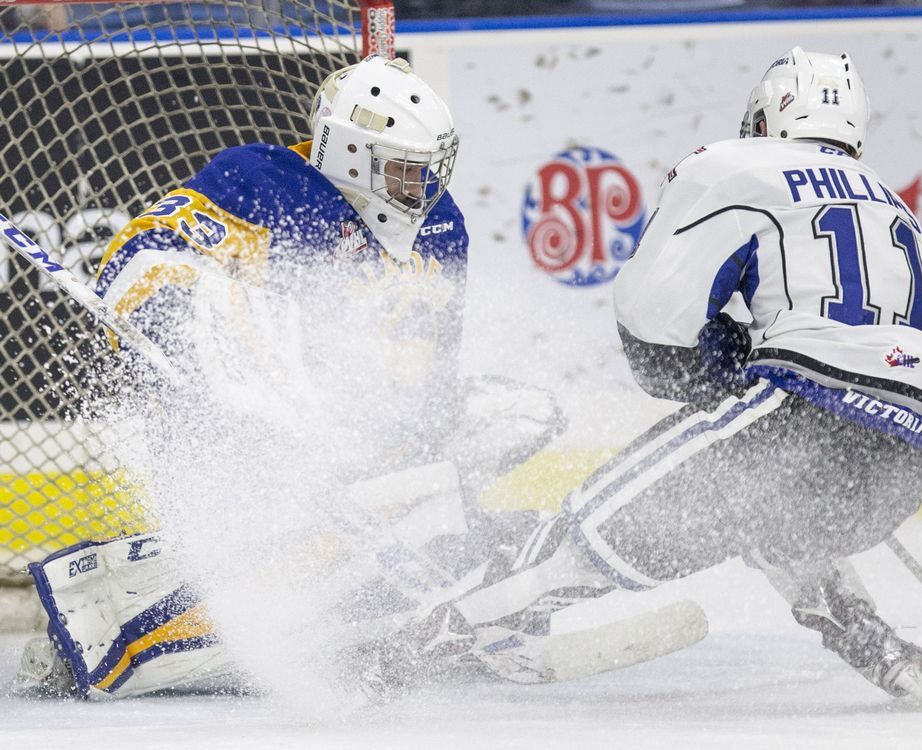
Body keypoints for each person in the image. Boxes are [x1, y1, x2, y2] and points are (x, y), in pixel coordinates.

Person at [405, 47, 922, 701]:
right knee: (774, 514)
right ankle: (877, 643)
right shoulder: (894, 206)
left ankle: (432, 636)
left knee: (583, 533)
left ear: (768, 114)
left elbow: (653, 323)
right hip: (908, 460)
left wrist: (717, 367)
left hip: (797, 418)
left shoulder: (734, 165)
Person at [13, 55, 562, 701]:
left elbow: (433, 368)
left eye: (431, 169)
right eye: (407, 171)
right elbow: (143, 265)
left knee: (524, 412)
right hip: (242, 448)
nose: (425, 187)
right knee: (234, 313)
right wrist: (195, 357)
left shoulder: (440, 225)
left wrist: (418, 458)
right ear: (353, 155)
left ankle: (403, 590)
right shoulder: (263, 182)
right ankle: (137, 624)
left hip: (370, 452)